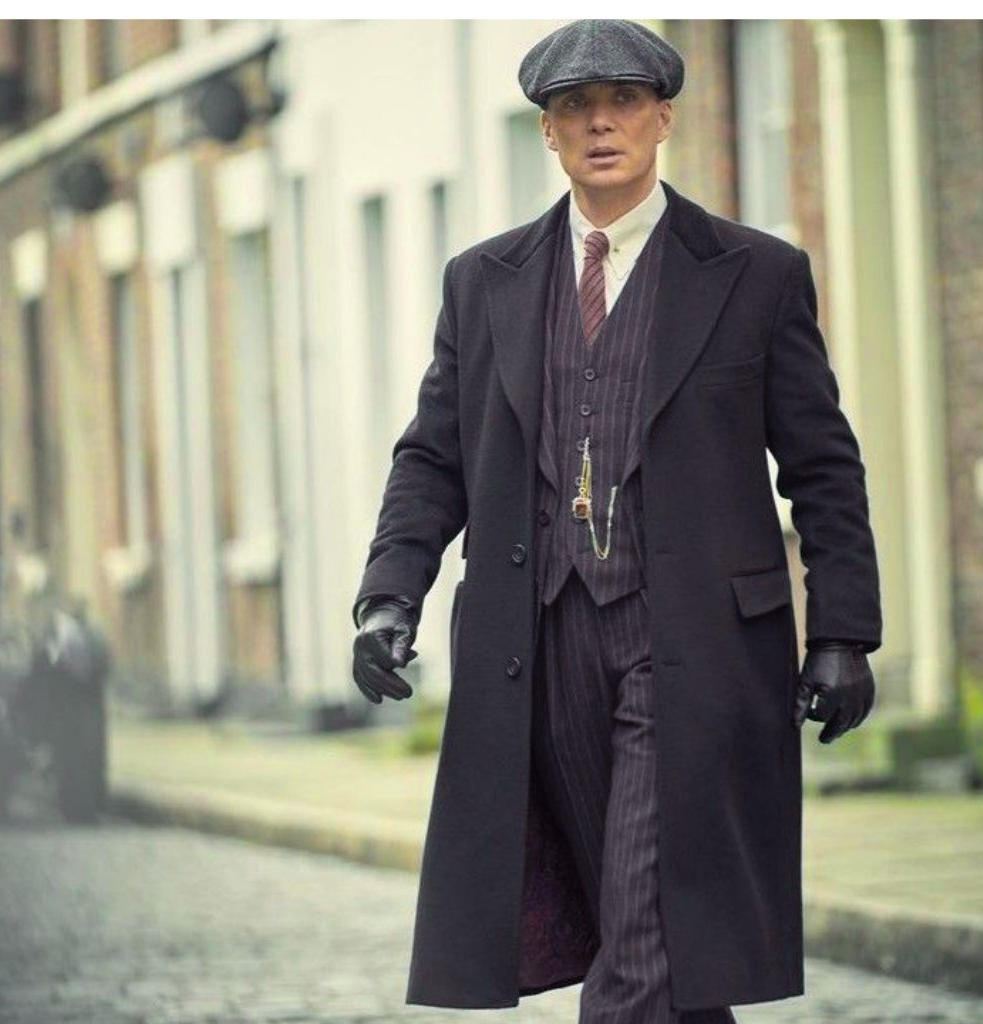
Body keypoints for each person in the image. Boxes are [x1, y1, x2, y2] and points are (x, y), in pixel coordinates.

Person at [351, 18, 880, 1023]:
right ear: (547, 134)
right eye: (574, 108)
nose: (601, 122)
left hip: (695, 648)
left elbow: (821, 465)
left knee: (640, 947)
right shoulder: (484, 282)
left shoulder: (754, 273)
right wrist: (388, 594)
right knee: (648, 928)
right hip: (535, 651)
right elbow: (431, 456)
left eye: (623, 101)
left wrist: (845, 630)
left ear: (662, 119)